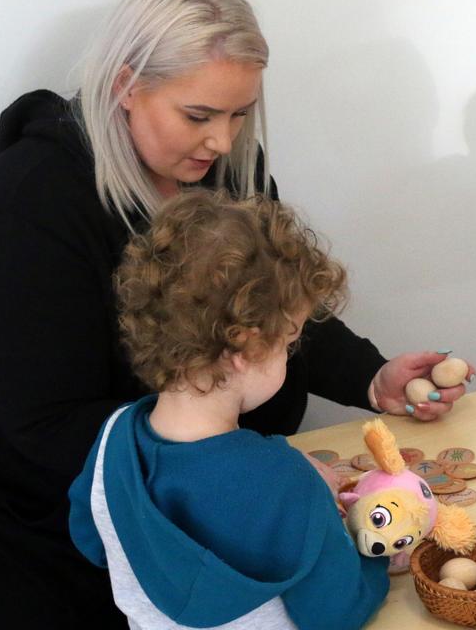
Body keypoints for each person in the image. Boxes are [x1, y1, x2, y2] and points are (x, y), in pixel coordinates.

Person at [0, 0, 462, 629]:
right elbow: (45, 427)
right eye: (199, 116)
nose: (222, 140)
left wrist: (371, 375)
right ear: (126, 86)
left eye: (240, 114)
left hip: (163, 485)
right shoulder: (28, 209)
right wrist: (229, 471)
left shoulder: (225, 174)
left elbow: (267, 306)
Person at [68, 190, 388, 629]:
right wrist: (371, 543)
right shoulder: (283, 483)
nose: (292, 354)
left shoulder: (113, 440)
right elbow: (337, 613)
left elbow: (91, 537)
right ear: (244, 344)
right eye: (289, 341)